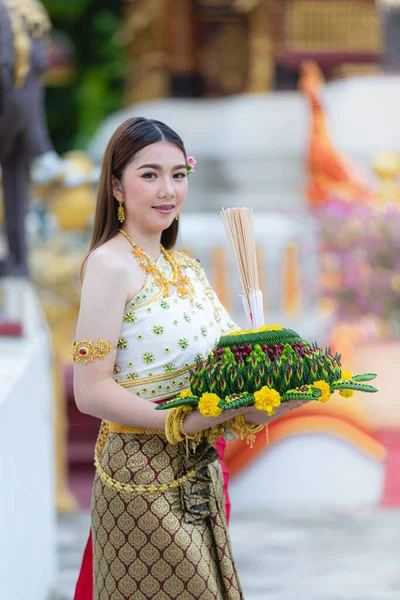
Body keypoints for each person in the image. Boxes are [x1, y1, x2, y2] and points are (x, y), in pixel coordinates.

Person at [72, 117, 303, 599]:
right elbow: (89, 390)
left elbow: (225, 377)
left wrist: (272, 397)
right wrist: (183, 421)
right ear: (116, 185)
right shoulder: (109, 265)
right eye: (149, 174)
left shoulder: (188, 268)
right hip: (140, 475)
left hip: (200, 473)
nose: (167, 190)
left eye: (178, 175)